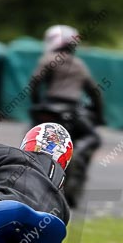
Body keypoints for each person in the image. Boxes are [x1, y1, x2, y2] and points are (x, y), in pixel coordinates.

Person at [29, 24, 104, 207]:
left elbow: (34, 82)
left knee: (33, 139)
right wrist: (99, 115)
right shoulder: (78, 65)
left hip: (48, 108)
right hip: (72, 111)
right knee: (92, 136)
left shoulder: (48, 59)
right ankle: (78, 154)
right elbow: (94, 92)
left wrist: (37, 102)